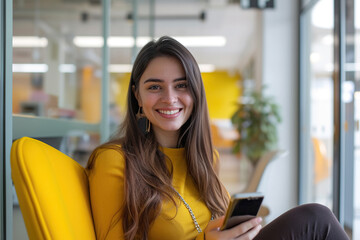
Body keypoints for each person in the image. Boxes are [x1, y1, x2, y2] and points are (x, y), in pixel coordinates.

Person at [86, 36, 349, 240]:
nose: (169, 97)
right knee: (316, 218)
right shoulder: (114, 161)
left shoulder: (205, 158)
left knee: (316, 219)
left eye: (181, 85)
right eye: (154, 86)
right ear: (137, 96)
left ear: (195, 92)